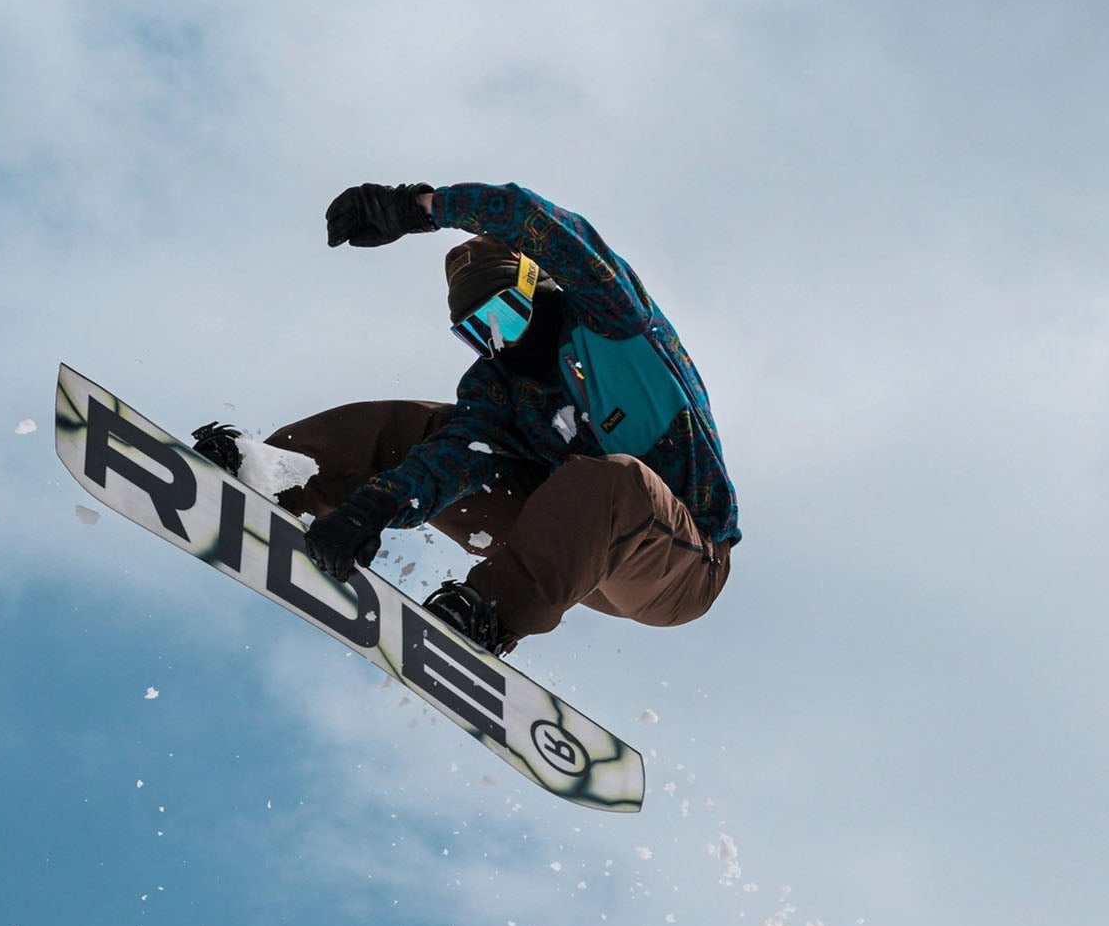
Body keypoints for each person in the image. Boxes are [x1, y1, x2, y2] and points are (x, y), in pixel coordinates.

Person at [192, 182, 737, 656]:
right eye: (478, 331)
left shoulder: (611, 319)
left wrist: (417, 209)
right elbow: (449, 462)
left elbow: (534, 220)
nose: (500, 341)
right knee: (425, 430)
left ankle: (491, 613)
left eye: (504, 315)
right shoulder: (499, 388)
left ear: (540, 290)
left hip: (680, 563)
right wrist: (372, 508)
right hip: (564, 545)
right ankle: (278, 473)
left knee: (611, 480)